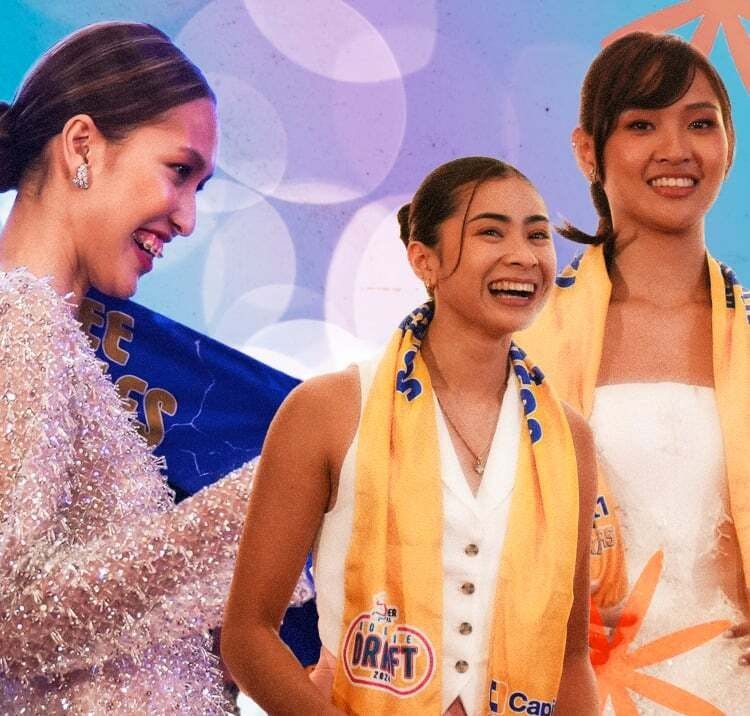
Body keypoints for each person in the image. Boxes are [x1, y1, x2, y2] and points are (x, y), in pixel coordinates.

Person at [0, 21, 298, 714]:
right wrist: (280, 488)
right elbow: (11, 621)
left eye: (199, 187)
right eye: (178, 172)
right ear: (82, 146)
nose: (187, 219)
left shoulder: (28, 322)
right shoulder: (14, 319)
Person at [222, 157, 598, 714]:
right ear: (424, 260)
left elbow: (570, 658)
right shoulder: (328, 411)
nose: (523, 255)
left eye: (537, 235)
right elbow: (248, 635)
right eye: (491, 232)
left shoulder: (569, 439)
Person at [521, 31, 750, 711]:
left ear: (729, 145)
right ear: (587, 150)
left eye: (700, 124)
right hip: (570, 690)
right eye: (642, 125)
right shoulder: (523, 341)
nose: (676, 150)